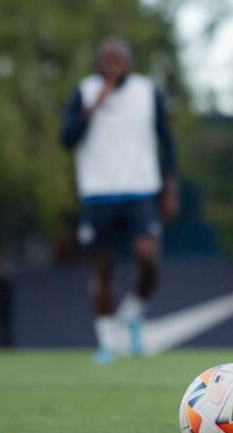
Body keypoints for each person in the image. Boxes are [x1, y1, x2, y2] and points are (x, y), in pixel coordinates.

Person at [61, 37, 179, 363]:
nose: (114, 66)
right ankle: (107, 341)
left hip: (140, 189)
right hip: (98, 194)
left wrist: (170, 188)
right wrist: (93, 108)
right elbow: (67, 139)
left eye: (119, 60)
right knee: (102, 268)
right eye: (107, 60)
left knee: (148, 258)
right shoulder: (84, 92)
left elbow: (166, 141)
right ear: (99, 63)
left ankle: (132, 313)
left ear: (129, 61)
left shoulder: (147, 92)